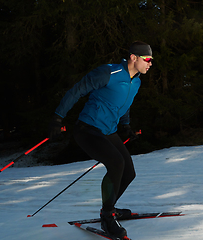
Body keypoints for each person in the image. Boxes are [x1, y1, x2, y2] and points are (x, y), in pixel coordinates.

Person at [48, 41, 153, 240]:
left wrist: (126, 127)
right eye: (147, 59)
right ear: (133, 57)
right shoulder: (109, 73)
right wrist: (57, 117)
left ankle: (110, 208)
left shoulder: (136, 81)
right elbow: (77, 90)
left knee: (129, 173)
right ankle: (107, 216)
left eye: (151, 60)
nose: (150, 64)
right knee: (116, 163)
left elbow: (124, 104)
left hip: (108, 131)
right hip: (88, 129)